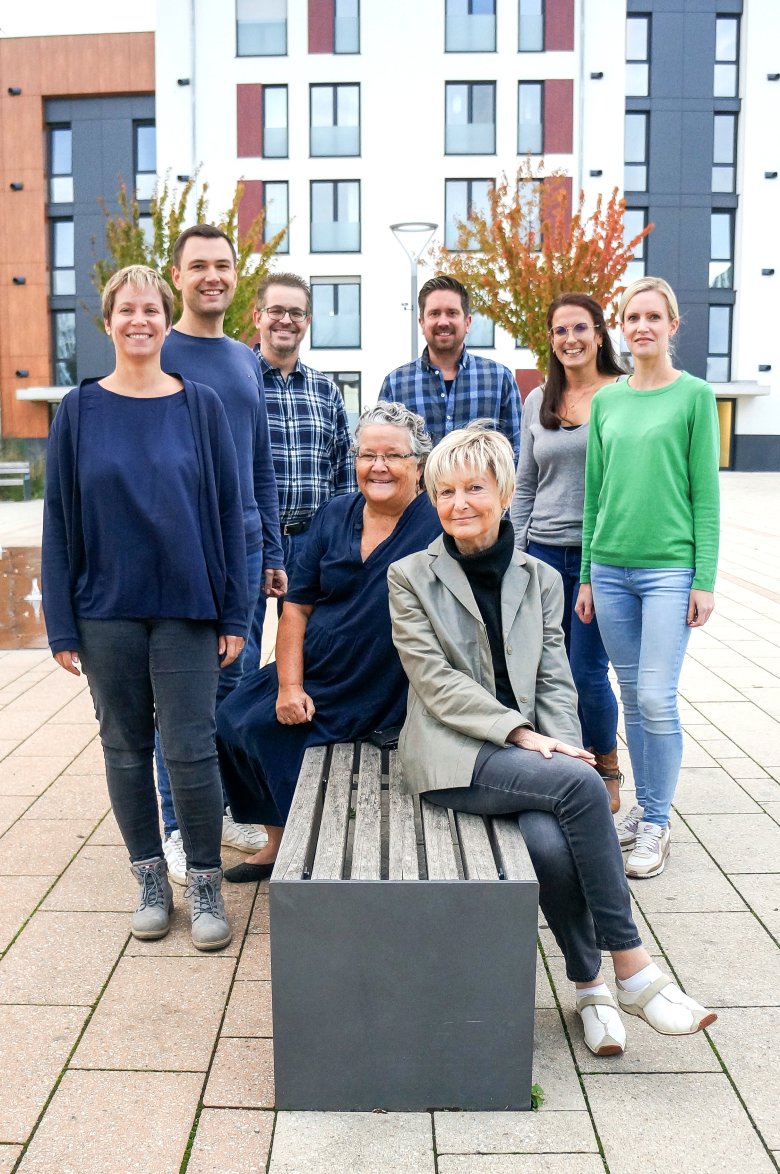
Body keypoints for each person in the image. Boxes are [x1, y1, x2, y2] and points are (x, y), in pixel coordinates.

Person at [388, 425, 716, 1057]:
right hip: (455, 751)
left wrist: (559, 743)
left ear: (506, 492)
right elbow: (434, 683)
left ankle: (591, 987)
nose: (460, 503)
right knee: (578, 785)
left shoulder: (540, 577)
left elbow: (556, 680)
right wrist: (526, 737)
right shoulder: (409, 577)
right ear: (432, 498)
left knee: (549, 837)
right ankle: (635, 970)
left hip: (534, 756)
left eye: (475, 488)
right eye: (446, 491)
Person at [42, 265, 248, 950]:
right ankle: (151, 879)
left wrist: (235, 615)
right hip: (106, 611)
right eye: (126, 309)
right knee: (126, 751)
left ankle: (208, 883)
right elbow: (59, 523)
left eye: (151, 309)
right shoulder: (78, 411)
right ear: (108, 322)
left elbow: (228, 515)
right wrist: (61, 625)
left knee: (190, 751)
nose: (139, 320)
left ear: (167, 320)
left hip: (188, 608)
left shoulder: (200, 405)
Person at [215, 402, 441, 882]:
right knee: (233, 716)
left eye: (393, 456)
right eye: (367, 455)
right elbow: (296, 606)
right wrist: (289, 685)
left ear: (418, 465)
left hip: (381, 683)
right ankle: (276, 842)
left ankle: (313, 851)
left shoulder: (437, 524)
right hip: (317, 667)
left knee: (277, 734)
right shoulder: (336, 513)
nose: (377, 466)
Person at [154, 224, 287, 884]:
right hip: (181, 555)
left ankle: (222, 808)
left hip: (240, 555)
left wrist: (270, 549)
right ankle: (178, 826)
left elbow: (258, 465)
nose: (212, 275)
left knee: (231, 694)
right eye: (199, 265)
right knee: (180, 698)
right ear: (177, 276)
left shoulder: (244, 359)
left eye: (223, 265)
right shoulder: (161, 350)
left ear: (236, 278)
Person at [575, 276, 720, 879]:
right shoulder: (607, 401)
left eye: (653, 317)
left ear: (672, 325)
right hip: (610, 570)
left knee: (658, 697)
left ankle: (656, 820)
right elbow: (594, 493)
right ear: (621, 327)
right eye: (632, 317)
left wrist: (703, 576)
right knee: (632, 695)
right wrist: (585, 574)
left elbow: (704, 495)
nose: (641, 327)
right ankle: (644, 807)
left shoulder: (694, 397)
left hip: (668, 571)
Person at [511, 293, 626, 813]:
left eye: (580, 328)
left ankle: (606, 767)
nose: (570, 339)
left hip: (599, 554)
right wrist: (512, 553)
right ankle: (561, 767)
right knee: (541, 669)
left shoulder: (623, 395)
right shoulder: (539, 400)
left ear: (600, 334)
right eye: (560, 331)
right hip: (541, 553)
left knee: (585, 669)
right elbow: (525, 484)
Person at [244, 271, 356, 668]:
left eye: (296, 312)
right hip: (251, 541)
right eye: (276, 310)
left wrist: (342, 538)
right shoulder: (240, 383)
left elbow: (344, 466)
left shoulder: (326, 390)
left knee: (309, 651)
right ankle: (237, 728)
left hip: (312, 542)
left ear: (308, 321)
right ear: (258, 316)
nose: (285, 320)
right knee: (241, 652)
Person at [381, 275, 521, 462]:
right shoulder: (396, 384)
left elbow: (517, 454)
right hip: (417, 492)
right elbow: (383, 453)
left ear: (467, 322)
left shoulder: (499, 379)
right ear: (422, 323)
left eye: (452, 313)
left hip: (481, 491)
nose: (443, 321)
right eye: (434, 313)